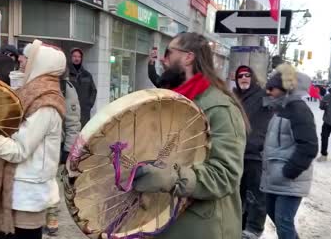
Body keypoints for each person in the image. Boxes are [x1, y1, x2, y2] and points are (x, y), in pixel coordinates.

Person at [131, 32, 248, 239]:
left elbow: (225, 175)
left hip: (204, 228)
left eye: (168, 52)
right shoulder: (173, 101)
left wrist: (171, 177)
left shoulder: (220, 108)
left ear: (188, 57)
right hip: (168, 223)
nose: (163, 60)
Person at [0, 40, 65, 239]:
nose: (22, 61)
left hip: (26, 194)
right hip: (11, 190)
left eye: (27, 57)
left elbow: (19, 150)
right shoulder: (28, 94)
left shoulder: (45, 105)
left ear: (41, 63)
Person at [262, 64, 318, 239]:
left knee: (284, 223)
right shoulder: (280, 108)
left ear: (285, 88)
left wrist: (289, 172)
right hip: (274, 179)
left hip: (289, 180)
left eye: (272, 88)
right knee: (278, 220)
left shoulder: (299, 110)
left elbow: (309, 146)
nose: (269, 92)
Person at [233, 66, 273, 239]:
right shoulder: (235, 97)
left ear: (253, 78)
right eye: (240, 76)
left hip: (255, 154)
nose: (244, 78)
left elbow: (276, 102)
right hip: (237, 153)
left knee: (256, 194)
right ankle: (240, 225)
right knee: (238, 193)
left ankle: (254, 228)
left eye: (247, 75)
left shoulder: (261, 95)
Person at [44, 66, 81, 236]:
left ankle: (52, 217)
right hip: (35, 142)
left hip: (56, 143)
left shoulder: (67, 88)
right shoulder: (36, 82)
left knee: (51, 180)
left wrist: (68, 149)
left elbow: (73, 122)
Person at [68, 48, 97, 127]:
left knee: (83, 133)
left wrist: (89, 104)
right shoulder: (66, 75)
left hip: (84, 112)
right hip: (70, 111)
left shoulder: (87, 75)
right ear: (71, 58)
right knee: (71, 133)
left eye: (79, 57)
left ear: (81, 58)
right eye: (74, 56)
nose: (77, 58)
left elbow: (93, 90)